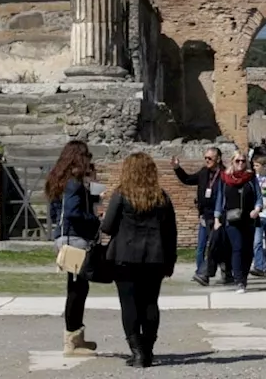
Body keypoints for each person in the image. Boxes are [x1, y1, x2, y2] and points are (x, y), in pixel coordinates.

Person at [100, 152, 177, 368]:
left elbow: (107, 227)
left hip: (125, 257)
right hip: (155, 257)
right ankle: (148, 350)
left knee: (129, 304)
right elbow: (171, 232)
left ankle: (137, 352)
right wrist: (171, 260)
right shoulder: (161, 197)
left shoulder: (121, 194)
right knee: (150, 303)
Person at [46, 140, 101, 357]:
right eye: (86, 157)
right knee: (77, 290)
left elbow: (55, 213)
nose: (89, 161)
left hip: (65, 237)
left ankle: (77, 337)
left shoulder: (58, 180)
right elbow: (72, 212)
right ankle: (71, 341)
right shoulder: (74, 183)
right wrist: (95, 220)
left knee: (77, 288)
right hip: (75, 239)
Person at [172, 148, 224, 282]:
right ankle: (200, 272)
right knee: (201, 247)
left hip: (217, 217)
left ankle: (220, 271)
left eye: (210, 158)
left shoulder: (224, 174)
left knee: (215, 246)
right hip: (204, 215)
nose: (207, 160)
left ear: (218, 159)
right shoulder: (203, 172)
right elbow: (188, 179)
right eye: (205, 158)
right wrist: (177, 168)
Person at [213, 150, 259, 293]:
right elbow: (220, 199)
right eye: (237, 161)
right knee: (237, 247)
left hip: (248, 218)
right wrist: (217, 218)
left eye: (243, 161)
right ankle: (238, 280)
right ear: (232, 161)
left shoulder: (251, 177)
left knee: (248, 250)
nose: (240, 163)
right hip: (231, 220)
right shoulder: (225, 178)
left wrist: (257, 209)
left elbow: (258, 196)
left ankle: (243, 277)